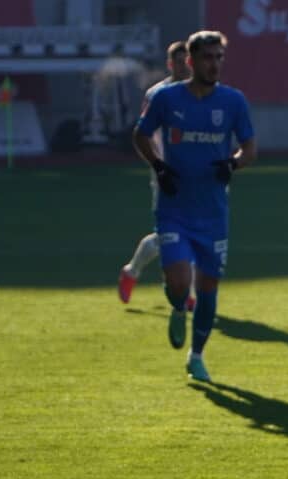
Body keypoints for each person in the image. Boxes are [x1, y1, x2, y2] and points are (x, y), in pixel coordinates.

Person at [132, 30, 256, 382]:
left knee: (208, 289)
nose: (214, 64)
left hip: (214, 211)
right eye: (207, 57)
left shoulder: (233, 102)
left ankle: (196, 356)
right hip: (174, 207)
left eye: (219, 57)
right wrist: (158, 166)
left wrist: (233, 163)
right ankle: (174, 303)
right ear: (190, 61)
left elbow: (249, 148)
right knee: (179, 282)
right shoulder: (166, 98)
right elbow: (141, 134)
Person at [118, 40, 196, 309]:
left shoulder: (201, 92)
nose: (182, 66)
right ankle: (133, 271)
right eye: (177, 61)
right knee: (167, 236)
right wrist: (157, 164)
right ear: (169, 64)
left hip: (195, 175)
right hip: (165, 174)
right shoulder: (157, 94)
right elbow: (143, 134)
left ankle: (184, 292)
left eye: (186, 61)